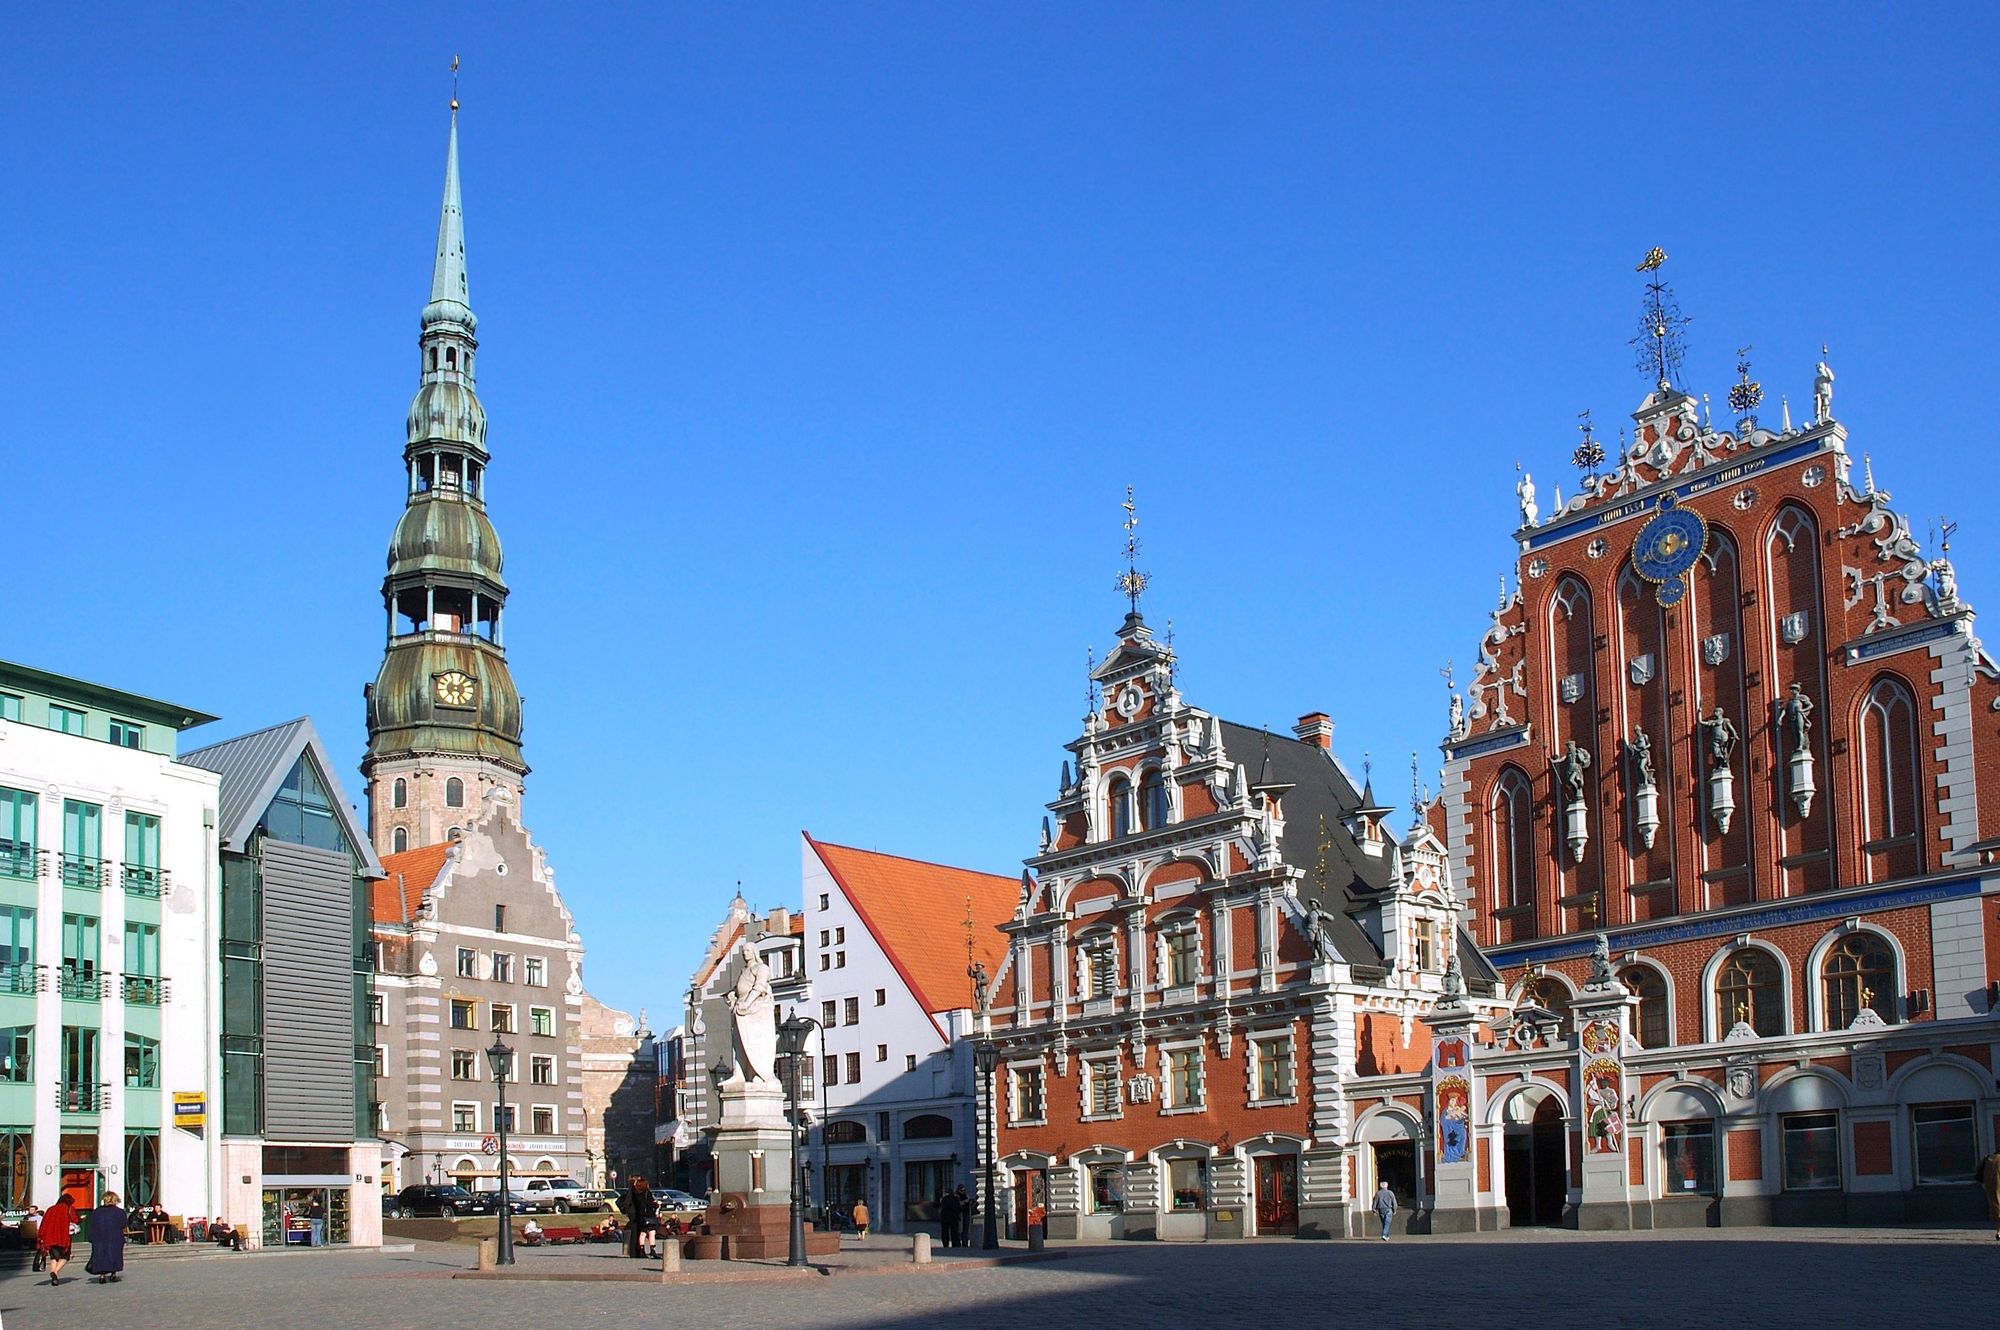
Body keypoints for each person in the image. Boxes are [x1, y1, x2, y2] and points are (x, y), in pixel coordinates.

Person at [86, 1189, 127, 1284]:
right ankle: (113, 1274)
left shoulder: (96, 1212)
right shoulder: (119, 1212)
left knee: (100, 1254)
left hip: (99, 1237)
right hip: (115, 1236)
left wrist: (91, 1237)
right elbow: (123, 1224)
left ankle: (102, 1275)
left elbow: (92, 1225)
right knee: (114, 1254)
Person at [40, 1192, 77, 1286]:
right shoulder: (69, 1209)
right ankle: (55, 1272)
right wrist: (80, 1219)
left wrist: (41, 1236)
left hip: (51, 1237)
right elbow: (74, 1220)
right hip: (63, 1236)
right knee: (65, 1256)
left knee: (54, 1257)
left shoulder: (51, 1209)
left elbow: (44, 1223)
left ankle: (53, 1273)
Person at [620, 1177, 659, 1259]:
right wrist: (656, 1204)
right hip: (649, 1215)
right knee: (651, 1232)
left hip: (641, 1216)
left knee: (643, 1233)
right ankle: (652, 1249)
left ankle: (642, 1249)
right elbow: (650, 1203)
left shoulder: (636, 1194)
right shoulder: (647, 1193)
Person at [1979, 1147, 2000, 1241]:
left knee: (1997, 1208)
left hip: (1992, 1186)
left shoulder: (1989, 1158)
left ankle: (1999, 1231)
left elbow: (1978, 1170)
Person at [21, 1204, 44, 1271]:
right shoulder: (27, 1217)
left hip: (36, 1232)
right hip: (28, 1231)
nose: (30, 1211)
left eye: (32, 1210)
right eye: (30, 1210)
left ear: (35, 1210)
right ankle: (25, 1245)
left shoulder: (39, 1217)